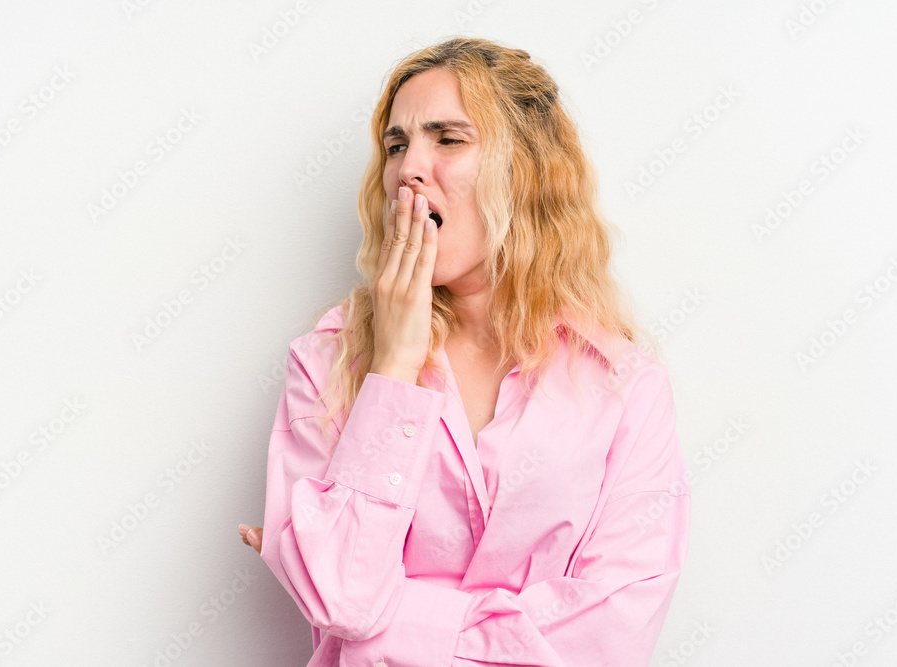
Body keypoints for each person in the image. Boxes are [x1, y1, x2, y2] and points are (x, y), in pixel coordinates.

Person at [238, 37, 690, 666]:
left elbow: (611, 639)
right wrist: (393, 368)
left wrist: (382, 626)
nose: (409, 170)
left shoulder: (622, 384)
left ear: (524, 168)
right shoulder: (326, 364)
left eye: (447, 139)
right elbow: (342, 599)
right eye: (397, 145)